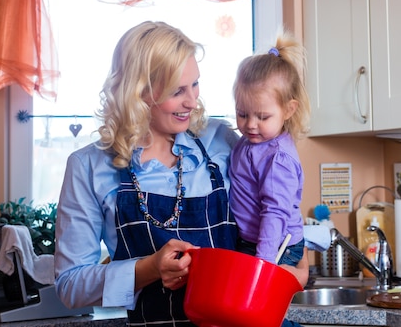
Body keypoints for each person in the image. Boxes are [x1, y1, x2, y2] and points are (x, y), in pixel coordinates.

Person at [53, 21, 308, 326]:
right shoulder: (88, 166)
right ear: (139, 93)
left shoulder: (221, 141)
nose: (192, 101)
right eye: (177, 91)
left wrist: (292, 268)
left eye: (195, 85)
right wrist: (149, 268)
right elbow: (69, 287)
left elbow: (279, 213)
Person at [229, 32, 311, 266]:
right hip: (252, 240)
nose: (250, 124)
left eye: (262, 116)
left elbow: (275, 213)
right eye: (242, 114)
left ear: (288, 110)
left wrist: (264, 261)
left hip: (275, 247)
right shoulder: (249, 143)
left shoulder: (278, 158)